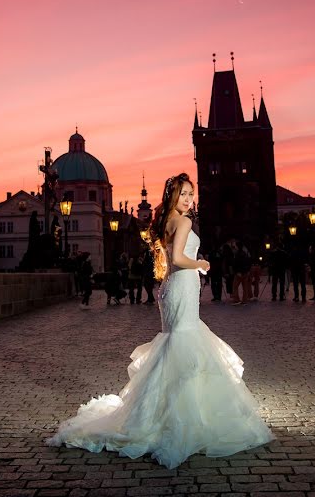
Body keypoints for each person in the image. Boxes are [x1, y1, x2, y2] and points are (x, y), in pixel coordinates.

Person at [47, 172, 273, 468]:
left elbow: (171, 257)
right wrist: (201, 263)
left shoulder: (167, 221)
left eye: (191, 193)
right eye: (184, 194)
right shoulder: (185, 221)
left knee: (174, 341)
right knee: (183, 340)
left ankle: (156, 410)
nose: (190, 199)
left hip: (170, 287)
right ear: (173, 197)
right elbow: (179, 258)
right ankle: (181, 416)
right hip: (181, 283)